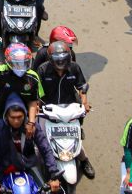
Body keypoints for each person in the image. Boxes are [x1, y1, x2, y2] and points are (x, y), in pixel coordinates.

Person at [36, 40, 96, 179]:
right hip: (48, 111)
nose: (61, 65)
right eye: (57, 61)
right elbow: (37, 92)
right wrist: (37, 105)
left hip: (70, 109)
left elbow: (82, 87)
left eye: (64, 60)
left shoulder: (74, 68)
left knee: (74, 140)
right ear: (50, 59)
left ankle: (84, 160)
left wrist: (84, 103)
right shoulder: (42, 70)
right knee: (40, 142)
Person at [0, 96, 63, 193]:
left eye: (19, 117)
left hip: (28, 166)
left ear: (24, 114)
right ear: (6, 115)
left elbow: (46, 149)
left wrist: (54, 174)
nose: (16, 121)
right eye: (13, 117)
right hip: (3, 167)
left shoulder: (33, 127)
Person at [0, 43, 43, 128]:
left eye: (23, 63)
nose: (20, 67)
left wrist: (31, 122)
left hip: (22, 120)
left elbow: (33, 101)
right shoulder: (0, 71)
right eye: (17, 64)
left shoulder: (33, 77)